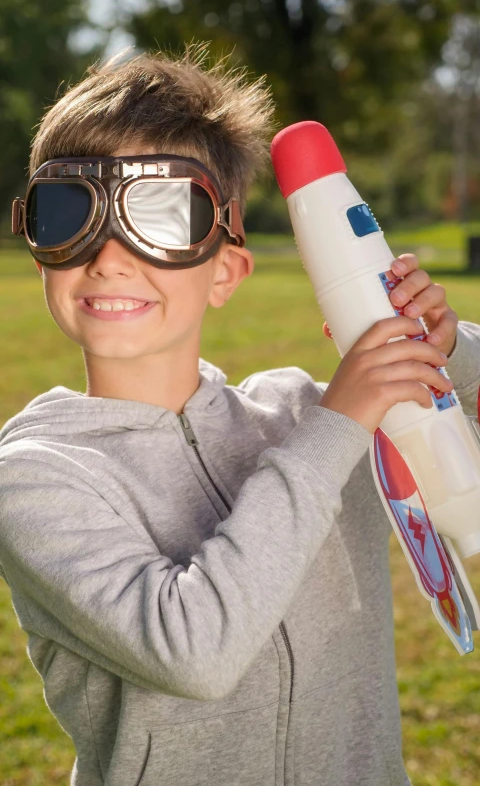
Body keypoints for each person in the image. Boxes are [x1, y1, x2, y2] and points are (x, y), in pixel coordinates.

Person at [0, 46, 479, 786]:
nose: (109, 255)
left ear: (225, 269)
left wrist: (448, 348)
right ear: (40, 253)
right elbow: (194, 651)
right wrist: (340, 425)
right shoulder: (35, 477)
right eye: (70, 214)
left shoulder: (298, 415)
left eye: (160, 216)